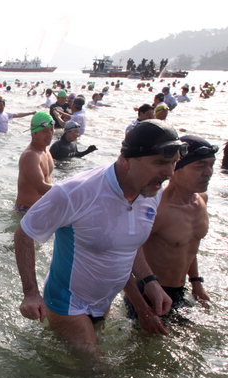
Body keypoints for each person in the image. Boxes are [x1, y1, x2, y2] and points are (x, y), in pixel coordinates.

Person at [14, 119, 186, 358]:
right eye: (160, 163)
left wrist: (150, 282)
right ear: (126, 161)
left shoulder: (152, 191)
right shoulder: (75, 192)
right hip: (67, 303)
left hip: (104, 302)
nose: (168, 173)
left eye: (173, 163)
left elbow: (127, 245)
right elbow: (24, 233)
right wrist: (30, 293)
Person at [125, 136, 217, 318]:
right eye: (199, 166)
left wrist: (196, 282)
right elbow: (126, 252)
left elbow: (188, 244)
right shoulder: (156, 208)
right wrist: (141, 307)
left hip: (180, 290)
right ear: (175, 169)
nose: (208, 172)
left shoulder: (202, 200)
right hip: (149, 292)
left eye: (211, 165)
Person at [14, 112, 55, 214]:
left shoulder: (46, 151)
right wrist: (69, 189)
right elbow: (41, 188)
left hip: (42, 208)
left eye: (51, 129)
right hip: (27, 211)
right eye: (45, 131)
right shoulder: (31, 156)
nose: (50, 134)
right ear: (34, 133)